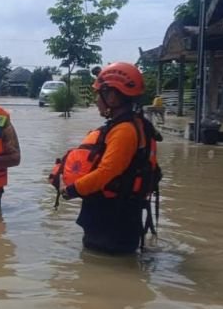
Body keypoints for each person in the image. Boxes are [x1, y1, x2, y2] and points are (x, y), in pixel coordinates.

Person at [54, 62, 162, 254]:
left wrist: (70, 190)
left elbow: (107, 172)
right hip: (117, 216)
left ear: (112, 97)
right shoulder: (132, 125)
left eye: (99, 94)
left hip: (112, 221)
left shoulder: (124, 131)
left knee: (97, 273)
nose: (96, 100)